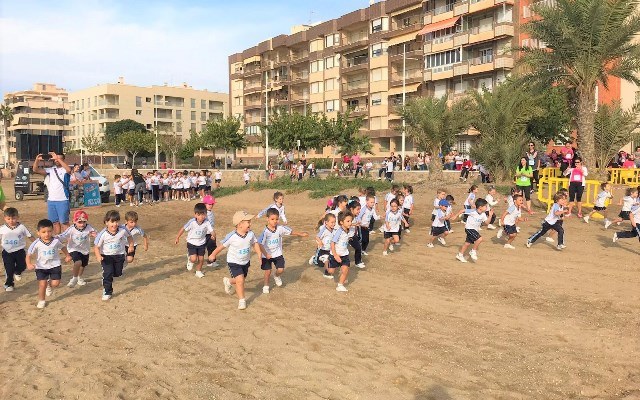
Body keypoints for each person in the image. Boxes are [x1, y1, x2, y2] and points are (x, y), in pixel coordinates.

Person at [208, 211, 263, 310]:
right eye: (248, 222)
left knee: (240, 280)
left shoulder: (251, 234)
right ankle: (242, 300)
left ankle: (228, 281)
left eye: (250, 222)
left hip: (245, 261)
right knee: (240, 280)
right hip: (234, 262)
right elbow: (221, 247)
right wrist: (213, 254)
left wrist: (259, 253)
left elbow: (255, 243)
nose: (250, 224)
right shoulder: (232, 236)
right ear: (240, 224)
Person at [257, 208, 308, 294]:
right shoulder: (265, 232)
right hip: (266, 255)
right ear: (267, 219)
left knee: (281, 269)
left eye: (277, 219)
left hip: (277, 254)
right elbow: (260, 244)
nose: (275, 221)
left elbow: (290, 232)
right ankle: (266, 285)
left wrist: (301, 234)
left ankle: (276, 276)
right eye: (272, 219)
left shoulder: (280, 228)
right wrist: (265, 254)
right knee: (267, 271)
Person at [26, 219, 69, 309]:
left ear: (52, 231)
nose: (47, 234)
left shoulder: (55, 241)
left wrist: (67, 255)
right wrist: (29, 264)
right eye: (43, 232)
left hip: (55, 265)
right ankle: (41, 300)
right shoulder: (36, 243)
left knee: (56, 284)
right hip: (41, 267)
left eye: (49, 231)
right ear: (38, 233)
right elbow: (29, 254)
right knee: (42, 284)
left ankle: (49, 285)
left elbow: (63, 247)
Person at [94, 210, 135, 301]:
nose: (115, 224)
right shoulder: (103, 234)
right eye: (112, 222)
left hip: (119, 255)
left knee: (117, 273)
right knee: (108, 273)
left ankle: (119, 266)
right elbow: (96, 247)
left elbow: (129, 237)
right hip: (106, 256)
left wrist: (131, 245)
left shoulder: (123, 230)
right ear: (106, 222)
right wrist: (98, 256)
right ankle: (107, 291)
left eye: (117, 221)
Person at [33, 152, 72, 235]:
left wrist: (57, 158)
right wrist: (37, 160)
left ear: (63, 160)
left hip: (62, 200)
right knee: (54, 223)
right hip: (51, 200)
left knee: (64, 223)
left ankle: (69, 243)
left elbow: (69, 170)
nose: (56, 160)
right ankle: (57, 241)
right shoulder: (51, 170)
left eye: (59, 159)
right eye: (55, 159)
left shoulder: (65, 170)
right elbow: (35, 170)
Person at [59, 210, 97, 288]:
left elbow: (96, 234)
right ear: (74, 221)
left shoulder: (89, 227)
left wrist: (95, 235)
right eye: (79, 222)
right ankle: (74, 278)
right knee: (78, 262)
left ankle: (79, 277)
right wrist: (56, 238)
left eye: (84, 222)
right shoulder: (71, 229)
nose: (82, 224)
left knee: (83, 265)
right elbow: (63, 235)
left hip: (85, 249)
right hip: (73, 248)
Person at [175, 203, 214, 278]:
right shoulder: (192, 222)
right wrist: (177, 237)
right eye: (199, 215)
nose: (202, 217)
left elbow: (211, 230)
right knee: (194, 259)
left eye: (203, 214)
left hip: (202, 243)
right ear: (195, 215)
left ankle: (198, 271)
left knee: (201, 259)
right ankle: (190, 259)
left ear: (206, 214)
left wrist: (213, 235)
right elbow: (183, 229)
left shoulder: (207, 222)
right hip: (191, 243)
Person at [1, 207, 33, 291]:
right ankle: (9, 284)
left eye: (13, 218)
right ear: (5, 218)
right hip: (7, 252)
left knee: (22, 266)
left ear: (17, 217)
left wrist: (37, 244)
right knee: (9, 269)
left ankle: (18, 272)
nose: (11, 220)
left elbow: (30, 236)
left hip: (20, 251)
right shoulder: (2, 229)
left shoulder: (22, 227)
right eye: (8, 219)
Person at [456, 198, 493, 263]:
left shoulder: (483, 214)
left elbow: (486, 223)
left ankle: (460, 255)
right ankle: (473, 251)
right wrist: (455, 216)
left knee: (467, 243)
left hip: (475, 230)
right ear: (480, 207)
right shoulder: (473, 211)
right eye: (485, 206)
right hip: (469, 228)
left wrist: (490, 216)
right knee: (480, 239)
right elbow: (462, 210)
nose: (487, 207)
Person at [327, 211, 353, 292]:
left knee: (345, 269)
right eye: (348, 221)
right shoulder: (339, 232)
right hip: (335, 255)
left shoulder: (349, 230)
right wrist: (335, 255)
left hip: (345, 254)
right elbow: (332, 243)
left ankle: (340, 285)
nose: (350, 223)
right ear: (341, 222)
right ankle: (324, 260)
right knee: (331, 271)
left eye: (351, 221)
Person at [202, 195, 219, 267]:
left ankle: (211, 261)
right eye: (209, 204)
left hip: (211, 234)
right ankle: (191, 256)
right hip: (203, 234)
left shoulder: (211, 212)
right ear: (204, 204)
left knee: (212, 247)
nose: (211, 205)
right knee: (201, 249)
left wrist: (212, 234)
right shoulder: (203, 213)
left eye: (212, 204)